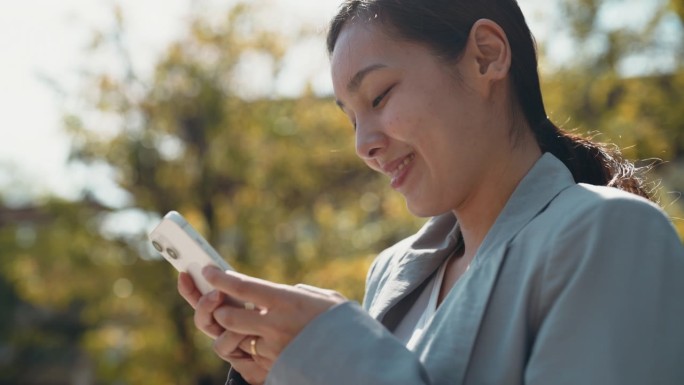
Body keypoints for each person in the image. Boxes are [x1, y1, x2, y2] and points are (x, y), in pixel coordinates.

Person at [177, 0, 684, 384]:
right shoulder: (393, 275)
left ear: (486, 56)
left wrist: (334, 354)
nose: (363, 145)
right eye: (352, 118)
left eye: (379, 96)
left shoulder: (610, 234)